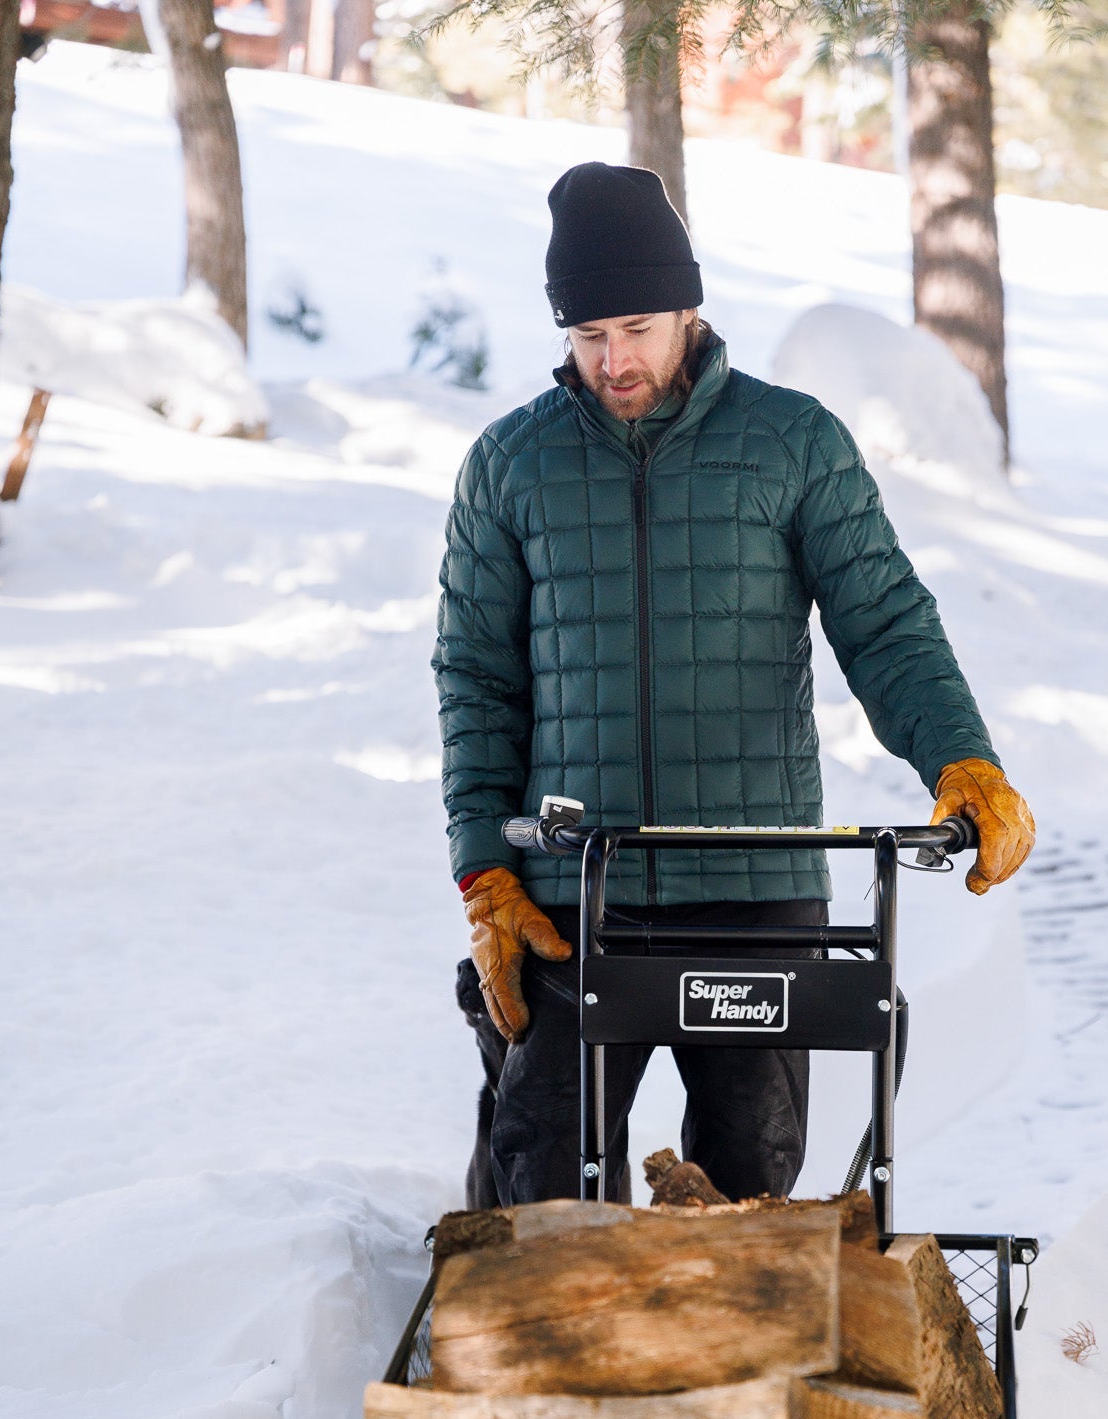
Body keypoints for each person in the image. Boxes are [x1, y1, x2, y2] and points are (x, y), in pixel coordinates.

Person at [435, 161, 1034, 1208]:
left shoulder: (792, 443)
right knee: (537, 1176)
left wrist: (961, 758)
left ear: (688, 307)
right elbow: (478, 680)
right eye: (588, 337)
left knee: (751, 1185)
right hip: (576, 894)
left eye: (635, 328)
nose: (614, 360)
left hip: (755, 884)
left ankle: (736, 1368)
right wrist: (487, 873)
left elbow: (884, 620)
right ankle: (527, 1363)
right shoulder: (510, 465)